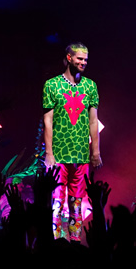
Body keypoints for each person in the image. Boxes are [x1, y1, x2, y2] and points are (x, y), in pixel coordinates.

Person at [43, 43, 101, 241]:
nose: (83, 62)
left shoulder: (90, 86)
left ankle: (75, 242)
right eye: (79, 59)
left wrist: (96, 152)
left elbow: (94, 121)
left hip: (81, 154)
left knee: (77, 201)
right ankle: (57, 242)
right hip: (59, 152)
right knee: (58, 200)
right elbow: (47, 120)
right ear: (69, 58)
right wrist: (49, 153)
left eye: (85, 59)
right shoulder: (52, 85)